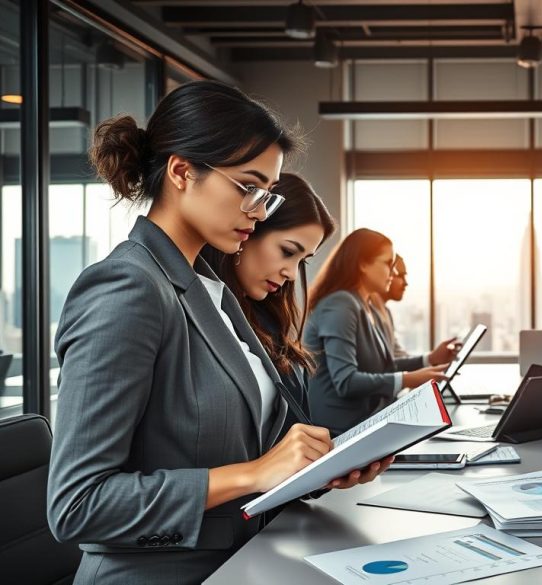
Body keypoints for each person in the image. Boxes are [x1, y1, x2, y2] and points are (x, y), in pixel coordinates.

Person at [47, 81, 391, 585]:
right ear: (182, 172)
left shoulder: (210, 289)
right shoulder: (127, 287)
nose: (257, 210)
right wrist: (253, 474)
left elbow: (255, 449)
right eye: (247, 187)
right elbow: (78, 504)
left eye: (267, 196)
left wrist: (322, 464)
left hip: (242, 563)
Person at [201, 172, 336, 431]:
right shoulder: (199, 311)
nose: (292, 274)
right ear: (248, 230)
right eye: (287, 252)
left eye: (302, 261)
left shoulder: (267, 320)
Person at [304, 229, 459, 434]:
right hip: (339, 433)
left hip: (367, 421)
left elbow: (384, 366)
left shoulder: (368, 306)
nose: (394, 273)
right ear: (363, 264)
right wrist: (407, 379)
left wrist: (429, 359)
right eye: (388, 264)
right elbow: (346, 381)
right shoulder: (340, 305)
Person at [368, 254, 409, 358]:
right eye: (400, 276)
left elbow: (397, 354)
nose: (406, 283)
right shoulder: (366, 312)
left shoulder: (386, 312)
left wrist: (432, 360)